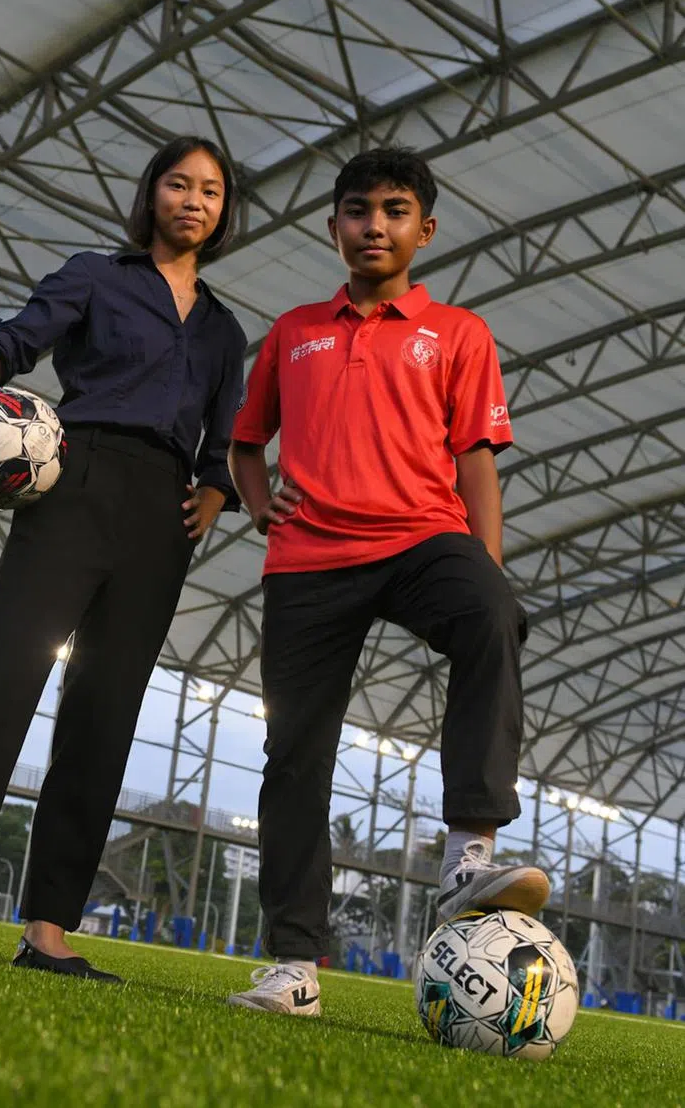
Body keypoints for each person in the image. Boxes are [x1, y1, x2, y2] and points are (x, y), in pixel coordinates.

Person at [0, 137, 248, 983]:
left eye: (211, 190)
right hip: (74, 484)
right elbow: (16, 339)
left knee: (104, 718)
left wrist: (213, 492)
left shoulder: (223, 329)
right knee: (0, 684)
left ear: (223, 210)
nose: (194, 200)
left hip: (160, 517)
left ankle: (49, 931)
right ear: (152, 195)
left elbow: (226, 434)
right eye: (179, 183)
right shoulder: (96, 276)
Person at [225, 146, 549, 1016]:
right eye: (359, 210)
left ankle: (469, 854)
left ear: (424, 229)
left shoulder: (460, 334)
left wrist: (485, 566)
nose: (375, 225)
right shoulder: (295, 332)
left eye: (394, 210)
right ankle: (295, 967)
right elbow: (245, 441)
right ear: (334, 227)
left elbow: (476, 460)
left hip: (422, 538)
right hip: (309, 560)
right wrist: (260, 509)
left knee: (493, 615)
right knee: (295, 756)